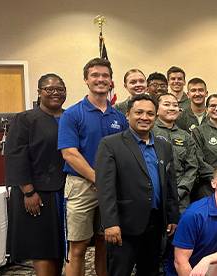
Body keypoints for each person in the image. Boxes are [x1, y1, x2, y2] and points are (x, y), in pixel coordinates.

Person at [58, 57, 128, 276]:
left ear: (111, 81)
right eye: (95, 75)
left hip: (112, 187)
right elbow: (69, 153)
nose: (100, 79)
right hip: (81, 186)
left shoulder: (118, 117)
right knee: (77, 247)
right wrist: (98, 178)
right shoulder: (72, 114)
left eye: (105, 75)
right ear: (86, 80)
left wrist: (110, 182)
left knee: (105, 244)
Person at [95, 94, 179, 276]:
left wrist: (172, 216)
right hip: (123, 225)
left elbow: (170, 183)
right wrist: (110, 223)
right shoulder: (110, 144)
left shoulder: (164, 146)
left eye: (150, 113)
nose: (144, 117)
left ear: (156, 117)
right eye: (139, 112)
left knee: (150, 271)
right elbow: (105, 188)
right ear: (127, 115)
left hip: (156, 223)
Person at [5, 73, 67, 276]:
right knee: (42, 248)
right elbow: (16, 156)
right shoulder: (25, 119)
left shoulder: (69, 117)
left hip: (63, 191)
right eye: (50, 89)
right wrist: (28, 191)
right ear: (39, 93)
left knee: (59, 247)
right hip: (36, 193)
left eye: (60, 89)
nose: (55, 93)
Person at [172, 161, 217, 276]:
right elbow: (180, 262)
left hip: (210, 266)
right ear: (213, 183)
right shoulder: (194, 214)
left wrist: (207, 260)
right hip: (189, 270)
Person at [153, 93, 200, 213]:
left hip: (180, 199)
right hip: (154, 196)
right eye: (166, 104)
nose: (172, 108)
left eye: (175, 105)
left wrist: (178, 192)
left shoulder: (186, 136)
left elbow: (192, 168)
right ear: (156, 110)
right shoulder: (149, 132)